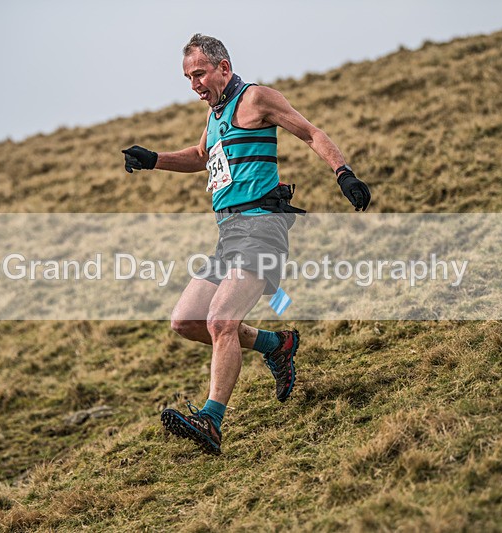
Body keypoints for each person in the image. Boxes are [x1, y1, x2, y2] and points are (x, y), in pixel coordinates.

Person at [122, 34, 370, 455]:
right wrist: (153, 159)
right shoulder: (215, 114)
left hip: (263, 228)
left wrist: (343, 173)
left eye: (199, 74)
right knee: (186, 320)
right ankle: (277, 345)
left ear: (223, 67)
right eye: (188, 77)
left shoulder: (255, 98)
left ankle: (211, 421)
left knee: (221, 321)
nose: (194, 84)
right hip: (229, 235)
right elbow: (203, 156)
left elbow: (310, 133)